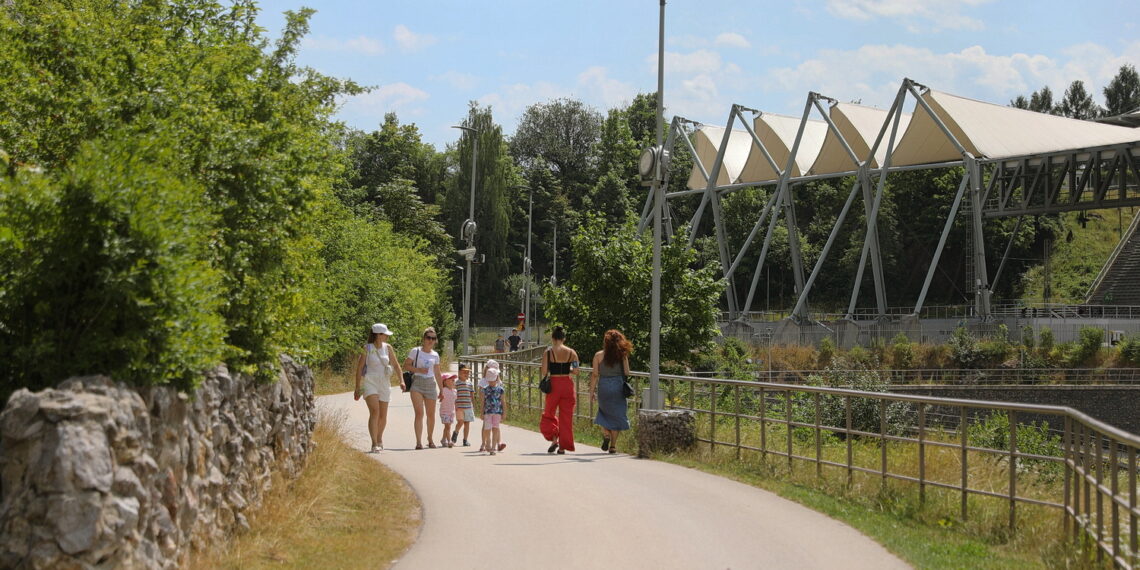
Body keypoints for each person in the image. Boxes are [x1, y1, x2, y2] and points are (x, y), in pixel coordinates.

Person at [353, 323, 403, 453]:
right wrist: (357, 387)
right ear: (377, 335)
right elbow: (359, 368)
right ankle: (374, 443)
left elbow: (396, 365)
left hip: (384, 382)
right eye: (385, 334)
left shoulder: (388, 348)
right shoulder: (367, 348)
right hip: (370, 381)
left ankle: (379, 437)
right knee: (375, 411)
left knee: (383, 415)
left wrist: (402, 381)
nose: (387, 336)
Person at [589, 329, 633, 455]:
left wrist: (591, 392)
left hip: (604, 386)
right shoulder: (622, 355)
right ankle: (613, 446)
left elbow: (595, 375)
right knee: (617, 415)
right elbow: (627, 372)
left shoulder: (598, 355)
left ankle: (606, 433)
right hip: (618, 387)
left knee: (604, 413)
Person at [540, 326, 580, 454]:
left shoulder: (548, 352)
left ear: (552, 338)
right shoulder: (572, 352)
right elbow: (576, 371)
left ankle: (554, 438)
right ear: (564, 338)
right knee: (566, 417)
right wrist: (567, 369)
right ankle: (563, 447)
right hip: (567, 385)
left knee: (549, 413)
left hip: (554, 385)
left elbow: (544, 371)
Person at [404, 327, 443, 449]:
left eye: (433, 338)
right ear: (424, 339)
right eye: (428, 338)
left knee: (431, 414)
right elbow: (406, 365)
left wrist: (442, 390)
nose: (430, 340)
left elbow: (437, 373)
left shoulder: (435, 355)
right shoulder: (415, 351)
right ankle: (418, 442)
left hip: (430, 384)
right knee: (419, 413)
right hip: (417, 383)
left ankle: (430, 439)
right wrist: (418, 370)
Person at [481, 365, 506, 455]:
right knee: (487, 429)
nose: (491, 382)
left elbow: (503, 401)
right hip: (487, 412)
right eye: (489, 380)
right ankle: (488, 442)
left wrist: (504, 412)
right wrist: (481, 412)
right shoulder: (485, 389)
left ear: (496, 378)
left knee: (495, 428)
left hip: (497, 412)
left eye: (492, 380)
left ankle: (493, 447)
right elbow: (483, 402)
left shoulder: (501, 390)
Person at [452, 364, 475, 446]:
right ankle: (455, 433)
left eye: (468, 372)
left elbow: (472, 395)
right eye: (464, 372)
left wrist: (473, 405)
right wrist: (454, 405)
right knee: (460, 421)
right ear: (459, 373)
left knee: (467, 423)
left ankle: (465, 440)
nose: (466, 374)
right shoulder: (456, 383)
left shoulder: (470, 383)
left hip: (468, 406)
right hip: (459, 407)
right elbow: (454, 394)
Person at [439, 374, 458, 448]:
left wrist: (456, 408)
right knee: (448, 427)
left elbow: (455, 401)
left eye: (453, 380)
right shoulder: (443, 390)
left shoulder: (455, 391)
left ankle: (443, 439)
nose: (453, 381)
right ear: (445, 382)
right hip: (444, 412)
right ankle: (449, 441)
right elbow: (439, 398)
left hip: (451, 412)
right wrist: (440, 397)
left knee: (447, 427)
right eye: (451, 380)